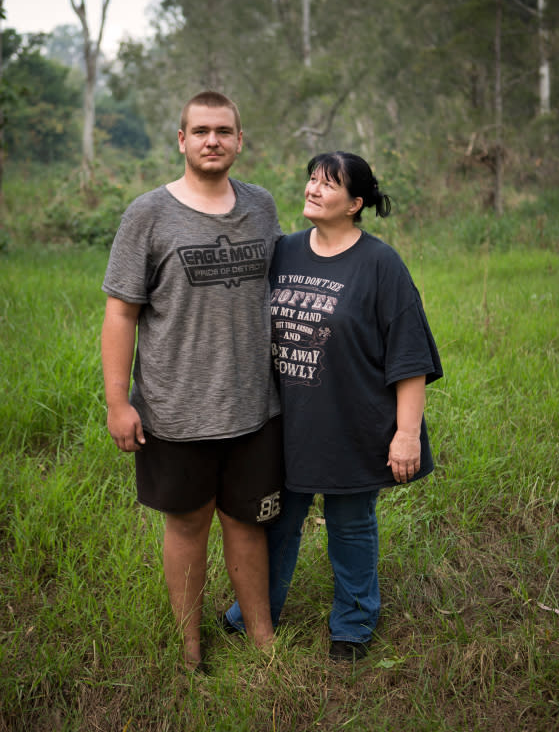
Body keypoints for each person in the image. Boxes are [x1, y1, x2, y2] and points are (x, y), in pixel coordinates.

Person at [224, 151, 443, 662]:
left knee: (350, 525)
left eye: (329, 184)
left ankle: (353, 623)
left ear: (355, 203)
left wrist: (406, 434)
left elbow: (408, 355)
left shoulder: (380, 263)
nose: (313, 189)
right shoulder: (284, 252)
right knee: (276, 522)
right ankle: (254, 614)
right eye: (311, 180)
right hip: (285, 424)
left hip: (354, 423)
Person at [101, 90, 283, 672]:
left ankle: (263, 642)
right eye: (200, 130)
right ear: (181, 140)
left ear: (238, 140)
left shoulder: (262, 207)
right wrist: (116, 402)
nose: (213, 140)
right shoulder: (148, 214)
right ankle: (190, 650)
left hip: (255, 406)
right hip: (174, 408)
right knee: (186, 525)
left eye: (223, 131)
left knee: (249, 525)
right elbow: (120, 312)